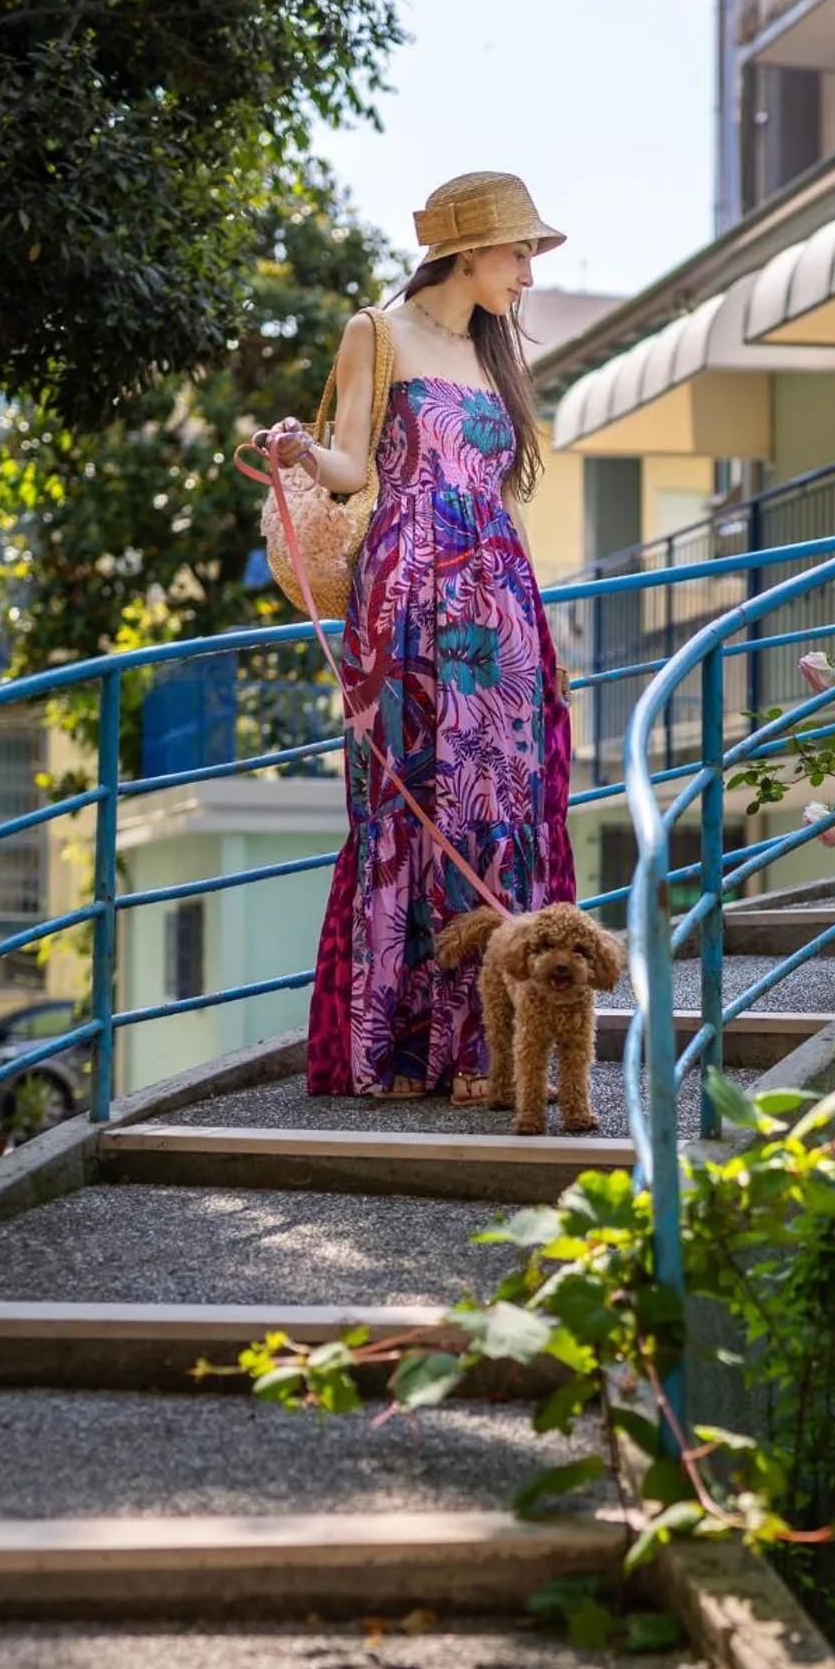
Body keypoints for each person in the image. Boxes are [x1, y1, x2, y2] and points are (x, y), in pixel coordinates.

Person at [263, 171, 577, 1104]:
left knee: (502, 801)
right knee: (410, 801)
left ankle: (489, 1050)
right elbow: (354, 468)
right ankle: (401, 1048)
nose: (527, 271)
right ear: (468, 248)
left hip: (499, 594)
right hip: (406, 591)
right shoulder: (378, 329)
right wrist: (297, 451)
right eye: (518, 251)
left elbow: (495, 487)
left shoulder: (494, 352)